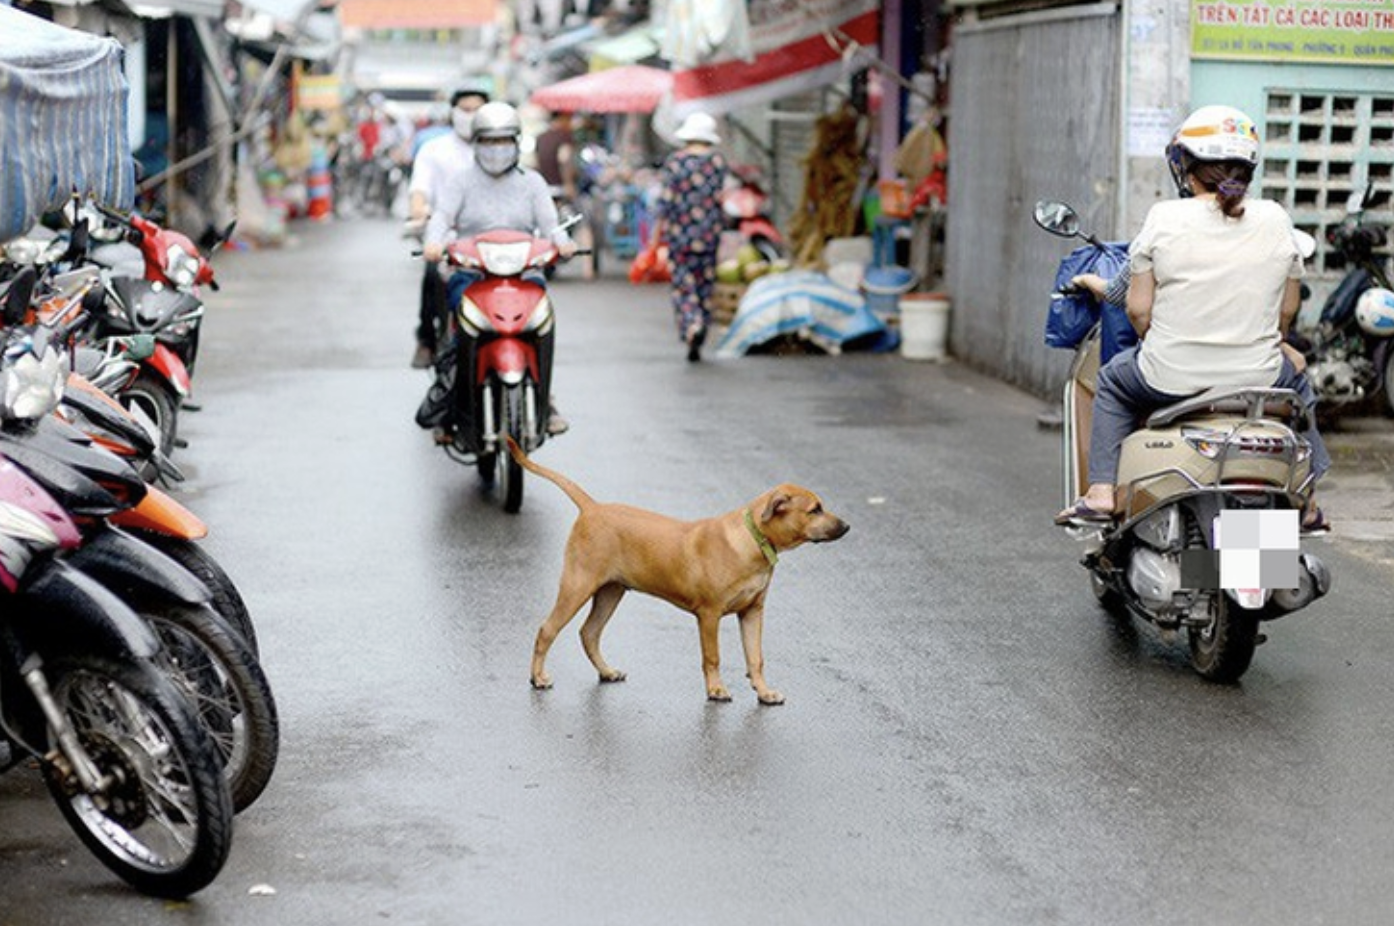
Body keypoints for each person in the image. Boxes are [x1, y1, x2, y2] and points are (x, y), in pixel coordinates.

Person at [1057, 105, 1330, 533]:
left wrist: (1160, 337)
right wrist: (1272, 341)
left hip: (1170, 375)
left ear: (1184, 165)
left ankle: (1100, 493)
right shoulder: (1277, 219)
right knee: (1295, 373)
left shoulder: (1165, 218)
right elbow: (1287, 311)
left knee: (1111, 381)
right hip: (1256, 376)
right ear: (1248, 167)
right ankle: (1309, 499)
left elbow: (1137, 308)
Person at [420, 101, 576, 447]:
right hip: (473, 274)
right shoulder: (460, 181)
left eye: (503, 140)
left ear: (517, 142)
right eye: (489, 141)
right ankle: (450, 403)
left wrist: (562, 244)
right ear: (475, 142)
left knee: (542, 320)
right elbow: (442, 218)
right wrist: (434, 242)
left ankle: (545, 399)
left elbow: (552, 226)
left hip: (523, 273)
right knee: (459, 324)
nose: (496, 149)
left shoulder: (532, 182)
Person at [404, 87, 490, 369]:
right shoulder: (434, 150)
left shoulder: (497, 150)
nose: (470, 115)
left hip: (495, 241)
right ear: (453, 112)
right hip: (447, 238)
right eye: (464, 109)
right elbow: (419, 190)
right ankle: (427, 339)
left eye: (477, 109)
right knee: (432, 274)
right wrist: (420, 209)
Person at [649, 111, 729, 361]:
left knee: (683, 285)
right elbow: (720, 198)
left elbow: (665, 203)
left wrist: (655, 236)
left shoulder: (675, 163)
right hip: (709, 235)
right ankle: (701, 323)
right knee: (704, 284)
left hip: (679, 235)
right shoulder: (717, 163)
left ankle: (691, 323)